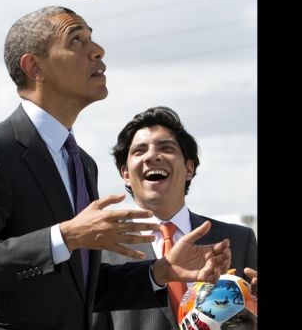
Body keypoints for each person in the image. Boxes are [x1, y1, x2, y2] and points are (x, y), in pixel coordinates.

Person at [0, 6, 232, 330]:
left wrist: (160, 272)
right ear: (34, 66)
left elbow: (79, 290)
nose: (98, 50)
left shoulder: (81, 163)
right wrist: (67, 235)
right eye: (77, 40)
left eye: (92, 38)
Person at [92, 106, 258, 330]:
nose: (152, 156)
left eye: (166, 147)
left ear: (189, 168)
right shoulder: (101, 247)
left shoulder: (238, 239)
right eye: (139, 151)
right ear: (126, 174)